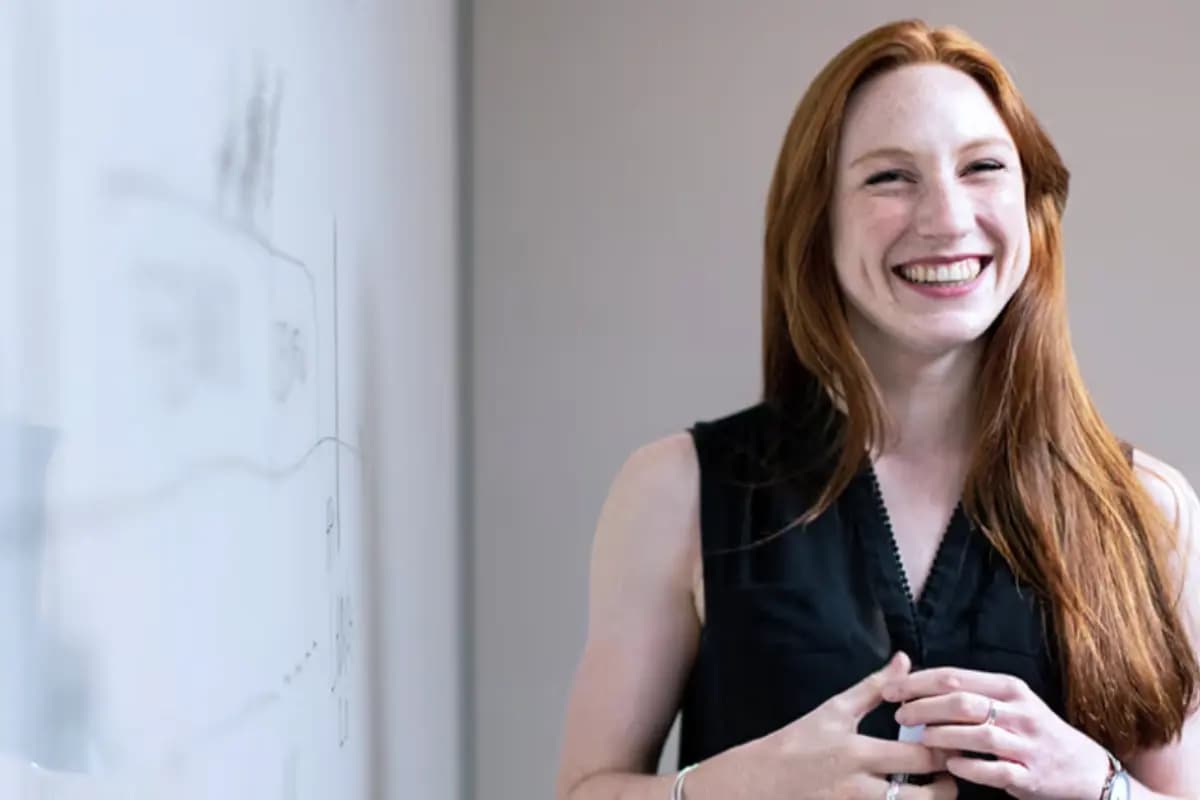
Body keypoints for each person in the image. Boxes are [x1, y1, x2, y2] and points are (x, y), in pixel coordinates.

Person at [553, 17, 1200, 800]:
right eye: (890, 177)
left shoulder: (1149, 511)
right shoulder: (675, 493)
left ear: (1031, 204)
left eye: (983, 167)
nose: (947, 218)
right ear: (816, 220)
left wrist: (1099, 786)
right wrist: (734, 787)